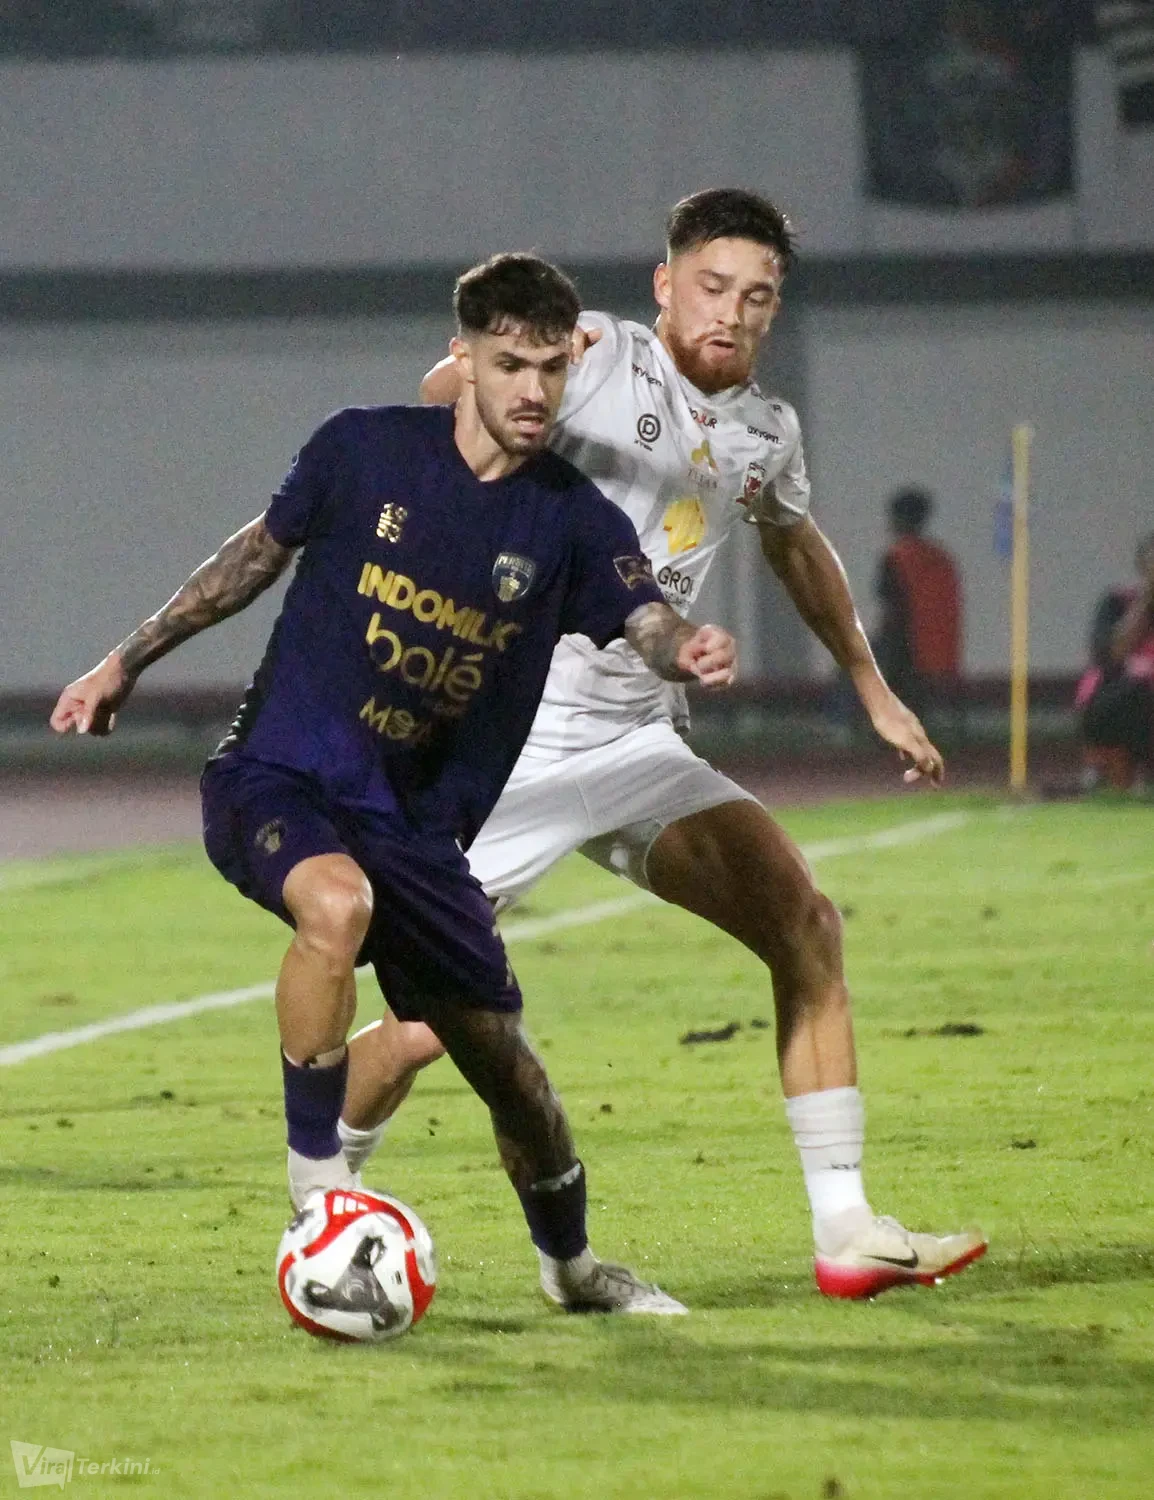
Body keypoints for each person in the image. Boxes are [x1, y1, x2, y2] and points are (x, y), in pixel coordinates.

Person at [50, 252, 740, 1316]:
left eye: (551, 368)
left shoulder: (570, 521)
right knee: (335, 904)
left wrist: (680, 646)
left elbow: (642, 615)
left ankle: (572, 1270)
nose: (532, 391)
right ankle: (319, 1192)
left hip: (417, 834)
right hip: (279, 776)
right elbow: (250, 559)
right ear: (461, 358)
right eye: (508, 364)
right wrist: (123, 662)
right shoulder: (361, 448)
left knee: (509, 1074)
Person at [340, 189, 987, 1300]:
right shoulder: (596, 356)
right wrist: (503, 370)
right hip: (507, 748)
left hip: (638, 745)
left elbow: (794, 545)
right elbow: (448, 393)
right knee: (422, 1025)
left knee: (803, 924)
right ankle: (318, 1198)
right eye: (711, 286)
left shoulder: (766, 433)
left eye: (756, 296)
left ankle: (846, 1229)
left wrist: (872, 689)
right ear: (664, 284)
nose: (730, 311)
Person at [873, 486, 963, 726]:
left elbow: (892, 615)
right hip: (944, 654)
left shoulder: (896, 558)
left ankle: (844, 728)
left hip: (910, 656)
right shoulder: (942, 558)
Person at [1076, 531, 1154, 790]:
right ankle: (1117, 772)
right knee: (1138, 692)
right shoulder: (1116, 603)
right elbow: (1115, 653)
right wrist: (1147, 597)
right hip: (1120, 699)